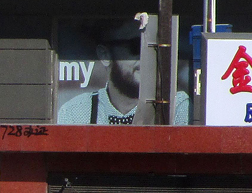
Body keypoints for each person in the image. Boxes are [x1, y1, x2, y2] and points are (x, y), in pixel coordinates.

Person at [57, 20, 189, 125]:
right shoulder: (75, 112)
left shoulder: (178, 107)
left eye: (153, 48)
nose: (146, 56)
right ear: (105, 55)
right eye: (135, 46)